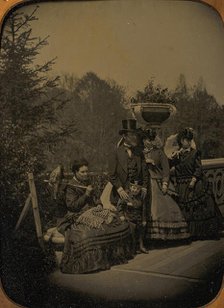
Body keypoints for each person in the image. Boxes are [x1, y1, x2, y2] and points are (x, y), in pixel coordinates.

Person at [59, 159, 134, 274]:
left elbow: (96, 199)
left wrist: (99, 204)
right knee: (91, 232)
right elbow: (72, 206)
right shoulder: (70, 186)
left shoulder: (87, 182)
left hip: (92, 211)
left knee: (116, 222)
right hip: (76, 215)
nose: (86, 174)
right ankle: (93, 262)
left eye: (87, 171)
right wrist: (86, 194)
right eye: (82, 172)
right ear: (75, 172)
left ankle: (111, 258)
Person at [141, 128, 190, 241]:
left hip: (157, 183)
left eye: (149, 139)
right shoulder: (140, 153)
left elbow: (166, 169)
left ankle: (164, 236)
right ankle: (148, 237)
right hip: (145, 184)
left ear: (153, 140)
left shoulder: (159, 152)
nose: (146, 142)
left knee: (160, 209)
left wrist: (165, 183)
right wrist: (145, 162)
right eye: (144, 139)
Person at [170, 128, 220, 240]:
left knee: (198, 208)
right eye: (185, 140)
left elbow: (198, 168)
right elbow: (171, 168)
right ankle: (188, 233)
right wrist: (173, 158)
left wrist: (193, 180)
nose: (187, 142)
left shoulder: (195, 153)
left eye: (189, 140)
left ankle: (200, 233)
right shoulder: (177, 155)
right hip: (181, 184)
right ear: (181, 141)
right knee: (185, 209)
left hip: (194, 182)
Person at [109, 119, 149, 207]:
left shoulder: (139, 153)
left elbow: (145, 172)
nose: (135, 137)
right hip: (120, 194)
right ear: (124, 136)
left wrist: (144, 187)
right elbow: (112, 174)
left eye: (135, 135)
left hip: (136, 196)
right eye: (132, 135)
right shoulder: (116, 152)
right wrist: (119, 189)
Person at [118, 181, 148, 254]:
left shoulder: (141, 197)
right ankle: (133, 249)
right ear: (130, 188)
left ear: (140, 190)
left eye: (137, 189)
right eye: (134, 188)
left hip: (139, 219)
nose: (135, 190)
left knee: (141, 232)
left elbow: (143, 209)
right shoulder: (126, 196)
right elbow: (120, 206)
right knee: (132, 234)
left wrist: (144, 220)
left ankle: (141, 246)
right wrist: (121, 215)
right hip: (130, 219)